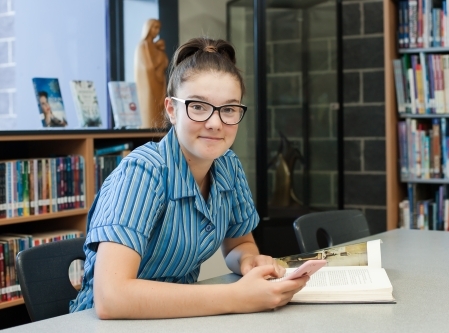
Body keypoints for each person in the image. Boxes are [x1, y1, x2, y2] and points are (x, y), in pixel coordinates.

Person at [70, 37, 309, 319]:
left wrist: (249, 260)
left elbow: (238, 244)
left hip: (178, 319)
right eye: (198, 106)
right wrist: (236, 296)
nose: (215, 123)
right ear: (172, 109)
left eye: (229, 109)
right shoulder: (142, 174)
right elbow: (112, 298)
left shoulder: (227, 166)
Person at [134, 18, 169, 128]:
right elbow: (145, 67)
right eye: (155, 27)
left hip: (159, 83)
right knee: (149, 107)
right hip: (148, 83)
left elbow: (165, 62)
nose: (157, 31)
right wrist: (158, 62)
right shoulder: (142, 46)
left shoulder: (157, 46)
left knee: (159, 108)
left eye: (159, 28)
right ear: (148, 28)